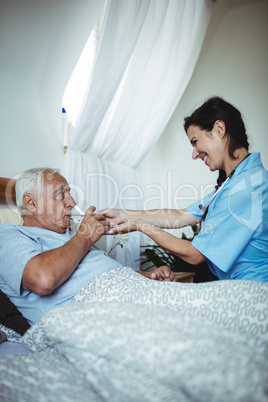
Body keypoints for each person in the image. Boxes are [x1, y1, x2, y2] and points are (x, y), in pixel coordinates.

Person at [100, 97, 268, 282]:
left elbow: (195, 254)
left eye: (195, 142)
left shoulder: (248, 188)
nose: (194, 154)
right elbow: (181, 216)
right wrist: (123, 215)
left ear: (219, 129)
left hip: (256, 291)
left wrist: (140, 225)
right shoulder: (236, 181)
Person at [0, 168, 175, 326]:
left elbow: (99, 272)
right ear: (31, 203)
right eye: (61, 194)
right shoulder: (9, 235)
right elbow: (43, 279)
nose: (72, 202)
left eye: (70, 193)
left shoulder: (71, 238)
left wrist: (145, 276)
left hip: (137, 296)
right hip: (98, 316)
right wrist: (85, 236)